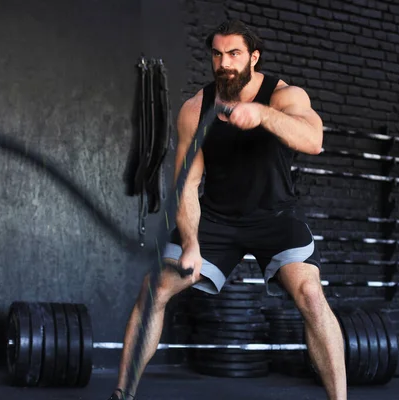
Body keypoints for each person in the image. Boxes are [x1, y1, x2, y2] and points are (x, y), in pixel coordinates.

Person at [108, 20, 347, 400]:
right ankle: (122, 394)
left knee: (311, 295)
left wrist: (263, 115)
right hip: (217, 220)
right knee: (154, 289)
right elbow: (186, 185)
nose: (225, 64)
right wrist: (190, 243)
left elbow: (314, 140)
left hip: (276, 217)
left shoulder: (284, 96)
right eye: (218, 55)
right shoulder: (195, 109)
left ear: (254, 57)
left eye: (234, 54)